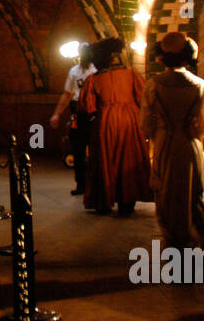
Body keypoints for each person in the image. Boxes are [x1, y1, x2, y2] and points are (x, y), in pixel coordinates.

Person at [140, 32, 204, 248]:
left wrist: (156, 135)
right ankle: (198, 244)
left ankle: (174, 246)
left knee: (165, 196)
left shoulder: (153, 85)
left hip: (165, 144)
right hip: (190, 145)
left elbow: (145, 123)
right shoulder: (200, 85)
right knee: (193, 196)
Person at [79, 37, 152, 215]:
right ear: (113, 56)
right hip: (130, 120)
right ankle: (127, 201)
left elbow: (86, 106)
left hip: (105, 122)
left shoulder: (93, 79)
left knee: (105, 159)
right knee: (129, 159)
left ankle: (104, 200)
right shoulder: (130, 73)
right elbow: (144, 97)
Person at [49, 42, 95, 195]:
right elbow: (67, 94)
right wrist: (57, 113)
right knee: (78, 149)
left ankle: (94, 183)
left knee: (95, 149)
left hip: (93, 112)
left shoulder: (96, 70)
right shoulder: (74, 71)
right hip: (77, 111)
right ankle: (81, 183)